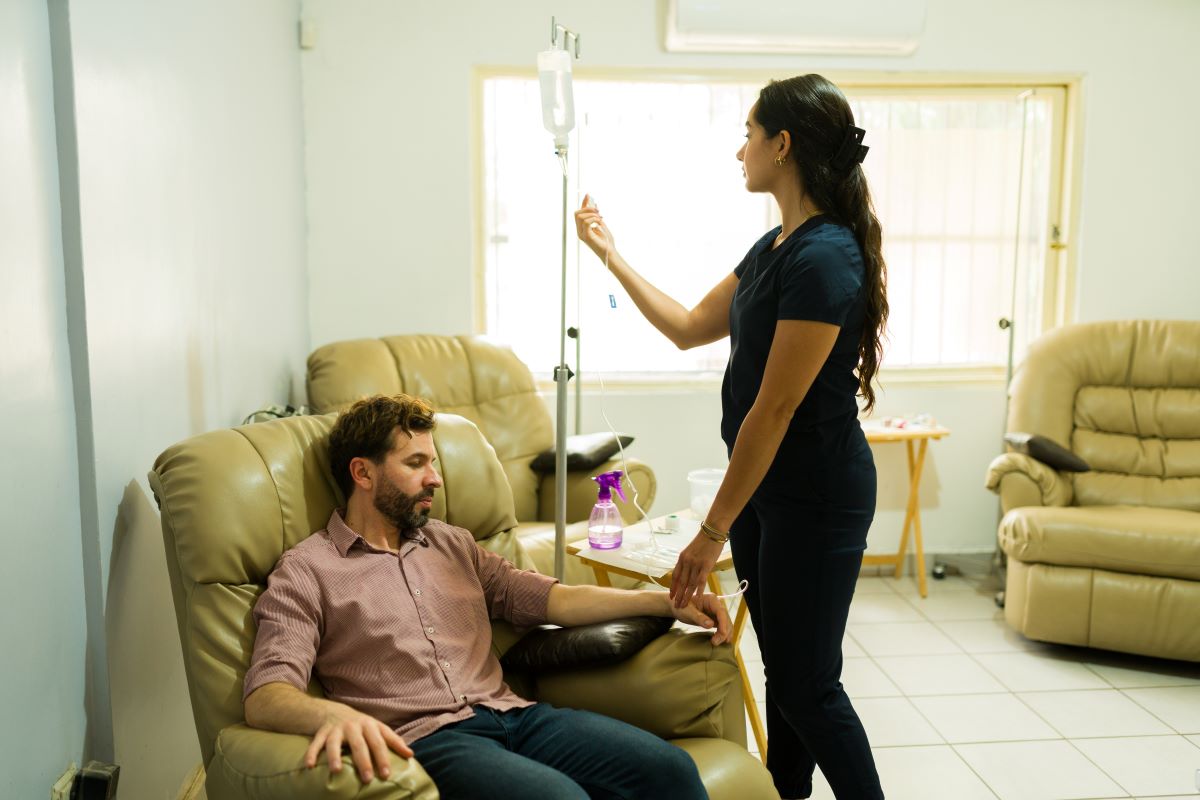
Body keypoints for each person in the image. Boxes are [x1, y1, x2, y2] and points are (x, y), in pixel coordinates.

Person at [575, 74, 888, 799]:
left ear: (782, 146)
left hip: (817, 494)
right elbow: (688, 327)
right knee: (784, 672)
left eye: (748, 133)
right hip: (769, 493)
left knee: (810, 686)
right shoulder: (775, 245)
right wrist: (609, 253)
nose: (738, 148)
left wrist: (710, 530)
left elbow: (773, 411)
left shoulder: (825, 256)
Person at [242, 393, 731, 799]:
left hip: (514, 715)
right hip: (430, 741)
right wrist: (332, 713)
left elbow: (553, 600)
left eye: (432, 462)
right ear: (363, 474)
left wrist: (664, 601)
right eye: (416, 463)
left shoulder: (452, 543)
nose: (435, 477)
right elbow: (266, 694)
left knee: (671, 772)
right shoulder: (307, 570)